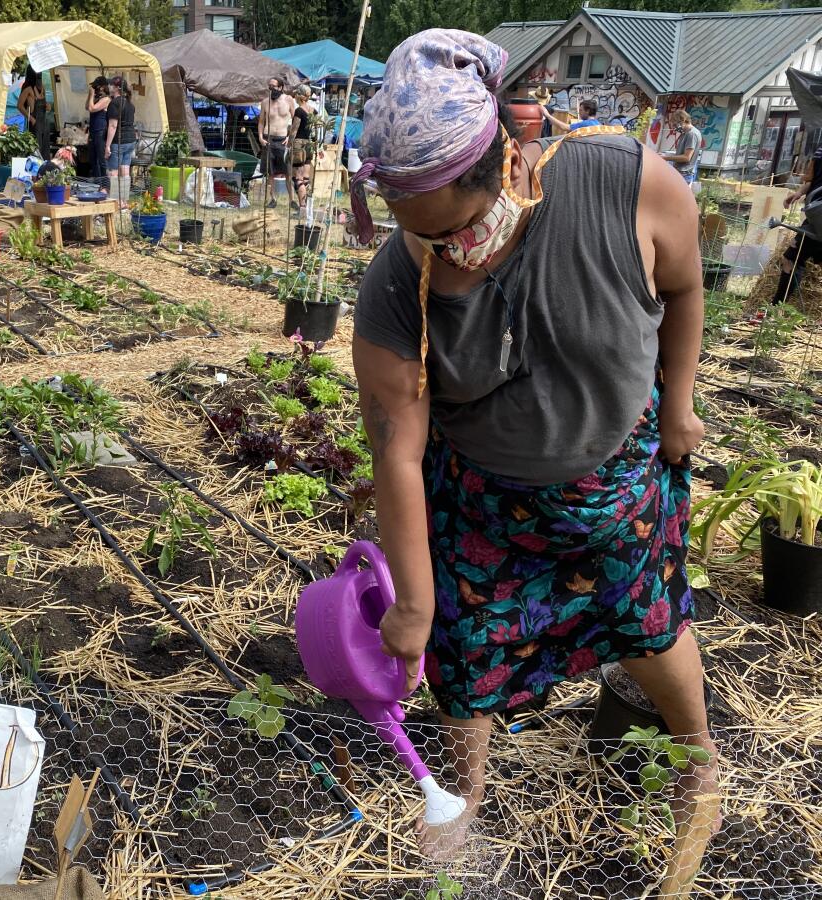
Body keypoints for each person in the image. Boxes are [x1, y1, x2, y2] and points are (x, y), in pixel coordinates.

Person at [349, 29, 715, 854]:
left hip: (615, 487)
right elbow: (398, 453)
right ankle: (463, 801)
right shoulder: (396, 287)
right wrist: (414, 604)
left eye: (453, 229)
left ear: (507, 161)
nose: (439, 252)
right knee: (465, 656)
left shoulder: (623, 186)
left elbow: (687, 285)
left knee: (650, 628)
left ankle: (701, 768)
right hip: (484, 505)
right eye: (417, 233)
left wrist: (681, 401)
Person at [776, 142, 822, 302]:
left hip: (817, 217)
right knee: (792, 257)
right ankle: (776, 308)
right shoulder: (820, 151)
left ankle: (776, 308)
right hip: (816, 217)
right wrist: (799, 193)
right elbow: (812, 179)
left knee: (792, 258)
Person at [258, 77, 295, 208]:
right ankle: (272, 199)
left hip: (283, 140)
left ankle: (292, 200)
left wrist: (290, 137)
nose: (271, 88)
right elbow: (261, 121)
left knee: (287, 172)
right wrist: (260, 137)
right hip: (268, 139)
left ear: (280, 87)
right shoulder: (265, 102)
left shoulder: (289, 100)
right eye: (269, 86)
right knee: (270, 172)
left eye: (274, 86)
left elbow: (296, 120)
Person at [105, 77, 137, 206]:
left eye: (111, 85)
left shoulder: (115, 103)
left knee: (113, 171)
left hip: (119, 141)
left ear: (117, 88)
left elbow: (112, 126)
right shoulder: (130, 104)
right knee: (125, 170)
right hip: (131, 140)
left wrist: (107, 145)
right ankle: (124, 201)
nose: (109, 87)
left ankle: (116, 201)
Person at [290, 85, 317, 212]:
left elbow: (294, 130)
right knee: (306, 178)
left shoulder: (299, 111)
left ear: (299, 97)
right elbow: (316, 132)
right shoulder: (314, 111)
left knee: (298, 178)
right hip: (310, 145)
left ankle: (302, 208)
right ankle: (308, 207)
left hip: (298, 145)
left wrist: (289, 145)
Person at [662, 109, 702, 184]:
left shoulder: (692, 134)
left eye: (675, 124)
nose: (674, 127)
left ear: (682, 121)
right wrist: (665, 155)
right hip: (680, 172)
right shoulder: (685, 133)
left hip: (684, 174)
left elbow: (686, 157)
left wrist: (665, 158)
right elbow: (681, 154)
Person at [85, 76, 111, 183]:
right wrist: (90, 95)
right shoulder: (96, 98)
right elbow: (87, 107)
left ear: (102, 87)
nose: (95, 88)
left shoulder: (106, 99)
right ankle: (97, 183)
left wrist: (91, 95)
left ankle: (105, 184)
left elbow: (92, 108)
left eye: (97, 86)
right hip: (93, 131)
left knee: (101, 159)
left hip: (100, 131)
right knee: (93, 159)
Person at [19, 67, 49, 157]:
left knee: (45, 149)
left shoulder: (42, 87)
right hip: (34, 123)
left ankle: (45, 168)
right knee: (36, 150)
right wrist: (31, 118)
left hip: (44, 123)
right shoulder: (28, 89)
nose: (39, 76)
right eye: (37, 74)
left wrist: (48, 106)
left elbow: (45, 104)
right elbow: (19, 106)